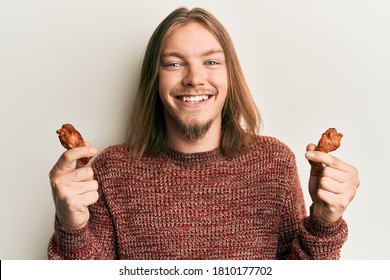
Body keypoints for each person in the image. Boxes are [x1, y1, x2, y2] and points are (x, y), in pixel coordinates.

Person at [48, 7, 359, 260]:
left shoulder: (273, 163)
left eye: (211, 61)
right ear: (154, 81)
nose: (194, 78)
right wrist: (71, 227)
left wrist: (324, 223)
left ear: (230, 75)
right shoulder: (111, 169)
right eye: (173, 64)